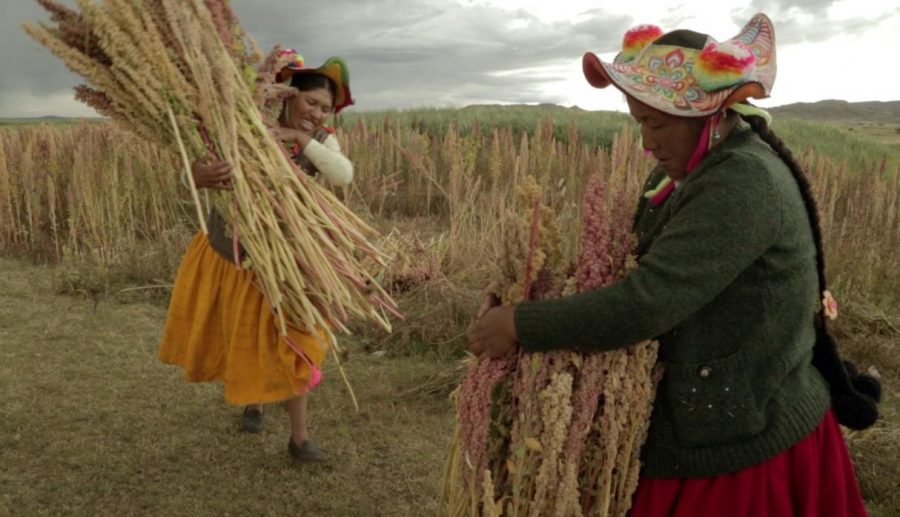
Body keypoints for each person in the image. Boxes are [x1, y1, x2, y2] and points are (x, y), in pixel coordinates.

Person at [469, 14, 881, 516]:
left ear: (707, 117)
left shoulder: (742, 184)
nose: (647, 143)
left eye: (657, 124)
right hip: (721, 419)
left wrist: (520, 324)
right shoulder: (684, 175)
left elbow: (647, 301)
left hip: (743, 440)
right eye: (639, 122)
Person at [159, 49, 354, 463]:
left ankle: (299, 439)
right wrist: (195, 176)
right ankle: (255, 402)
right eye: (311, 102)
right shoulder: (241, 130)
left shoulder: (320, 141)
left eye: (325, 109)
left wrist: (302, 140)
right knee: (246, 335)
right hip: (235, 255)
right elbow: (190, 171)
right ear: (287, 95)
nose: (318, 113)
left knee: (300, 340)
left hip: (291, 264)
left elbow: (342, 175)